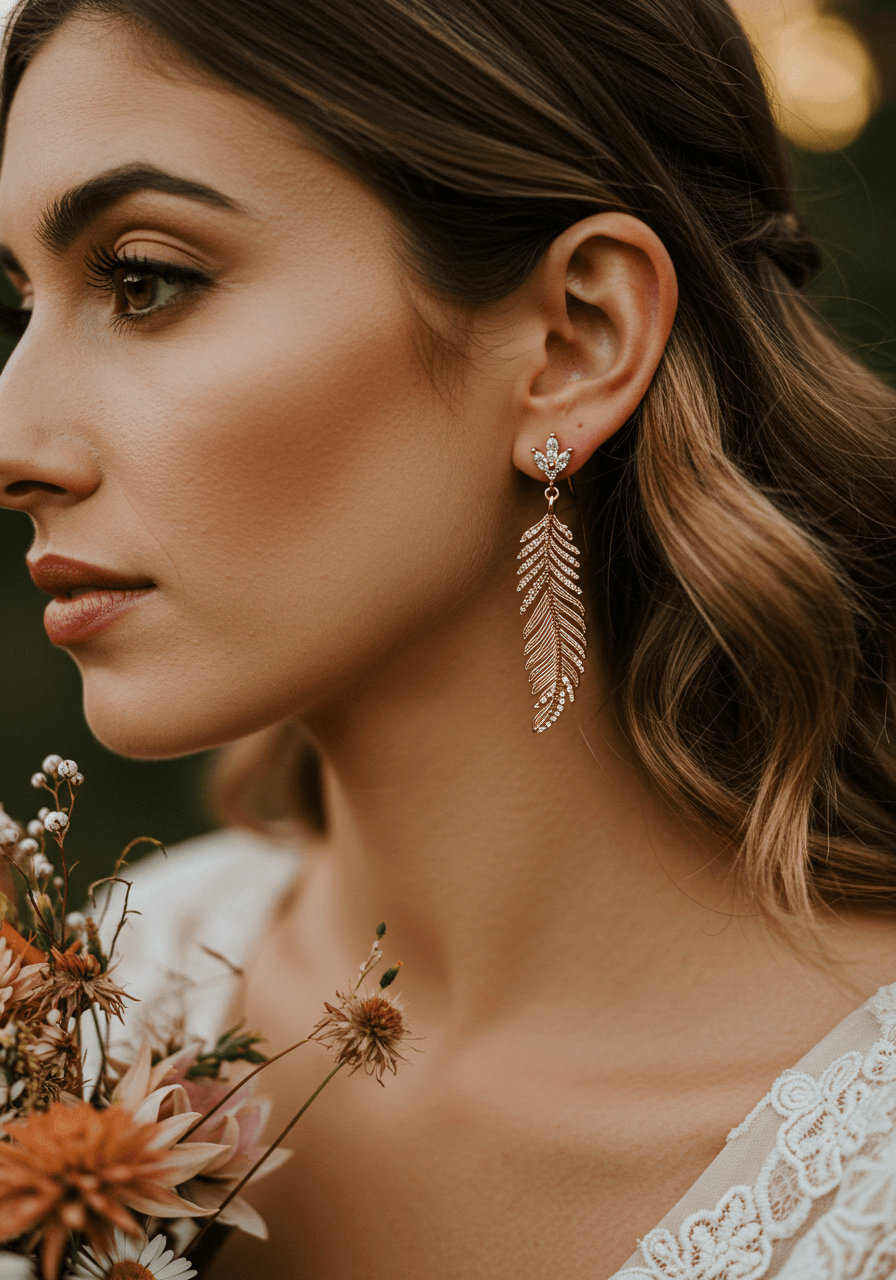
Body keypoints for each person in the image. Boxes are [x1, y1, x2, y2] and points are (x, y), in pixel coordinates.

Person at [1, 0, 896, 1275]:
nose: (13, 447)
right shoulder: (93, 993)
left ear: (573, 340)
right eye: (16, 305)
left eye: (144, 281)